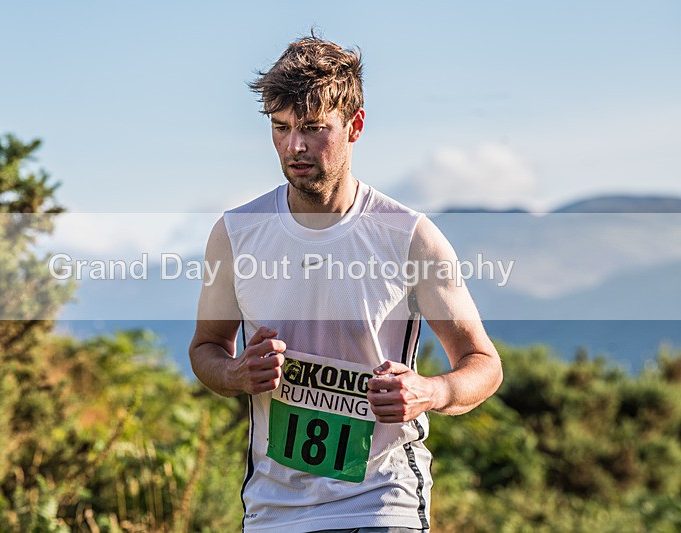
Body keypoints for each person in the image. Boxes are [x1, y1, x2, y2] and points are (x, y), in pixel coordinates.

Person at [189, 34, 503, 533]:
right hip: (275, 512)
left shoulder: (409, 235)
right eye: (281, 127)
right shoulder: (235, 234)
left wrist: (430, 391)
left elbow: (483, 364)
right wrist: (234, 375)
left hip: (382, 503)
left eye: (314, 128)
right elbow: (206, 349)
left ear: (354, 125)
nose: (295, 145)